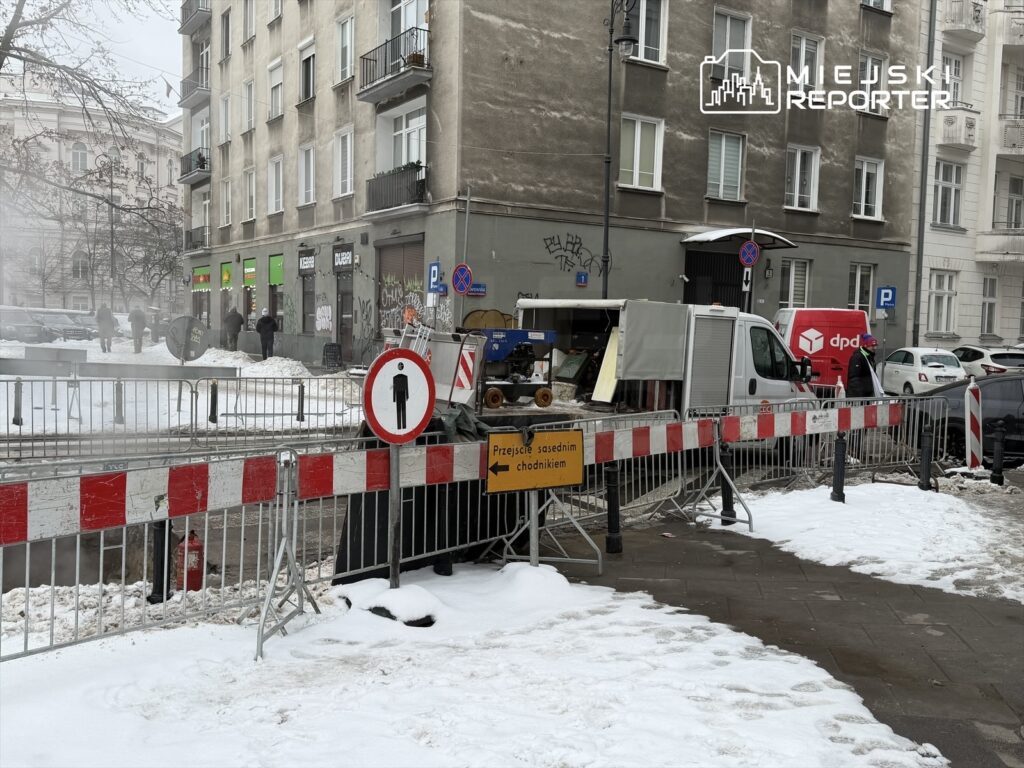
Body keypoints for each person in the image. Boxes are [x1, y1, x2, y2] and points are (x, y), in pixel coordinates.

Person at [847, 333, 880, 398]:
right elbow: (854, 378)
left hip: (867, 394)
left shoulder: (869, 356)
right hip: (859, 395)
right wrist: (859, 395)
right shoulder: (858, 357)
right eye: (872, 346)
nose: (875, 348)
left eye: (876, 345)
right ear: (865, 345)